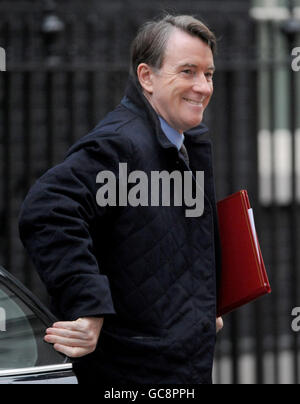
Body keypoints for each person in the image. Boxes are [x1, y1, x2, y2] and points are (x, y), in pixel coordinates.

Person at [19, 14, 223, 385]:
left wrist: (203, 302)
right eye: (188, 71)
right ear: (147, 77)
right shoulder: (121, 143)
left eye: (208, 74)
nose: (203, 87)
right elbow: (48, 210)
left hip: (182, 362)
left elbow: (168, 242)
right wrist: (88, 305)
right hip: (135, 372)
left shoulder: (185, 142)